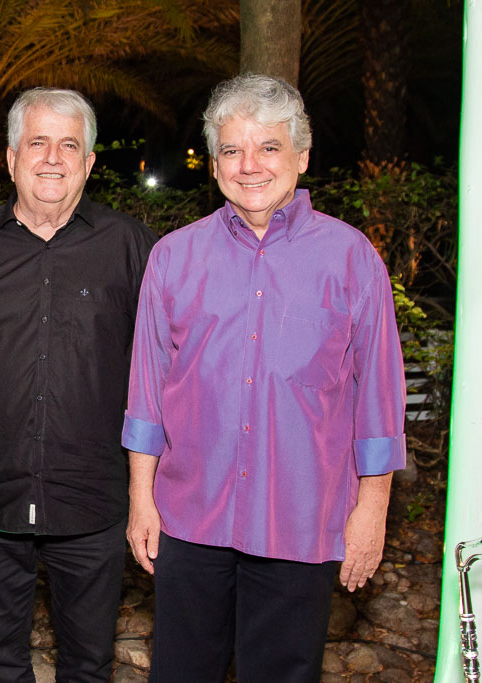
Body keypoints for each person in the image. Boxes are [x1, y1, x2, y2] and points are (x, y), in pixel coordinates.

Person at [123, 73, 407, 681]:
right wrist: (141, 499)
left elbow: (380, 400)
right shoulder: (172, 257)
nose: (249, 165)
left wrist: (372, 509)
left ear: (301, 156)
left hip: (302, 522)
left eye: (269, 147)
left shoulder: (352, 259)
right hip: (189, 519)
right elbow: (147, 393)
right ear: (214, 165)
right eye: (232, 150)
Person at [0, 88, 157, 681]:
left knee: (89, 663)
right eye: (37, 142)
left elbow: (163, 369)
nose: (52, 158)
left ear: (88, 163)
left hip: (93, 497)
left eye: (69, 145)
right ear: (11, 157)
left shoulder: (133, 247)